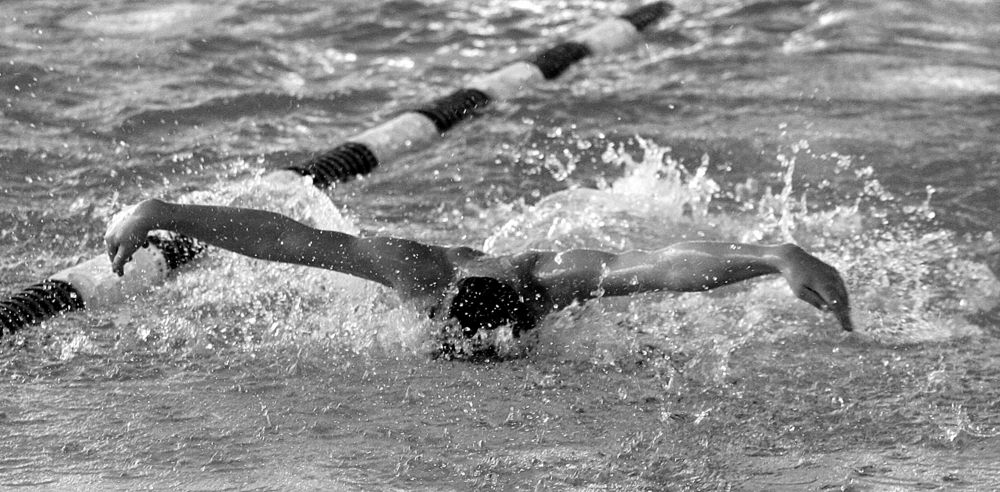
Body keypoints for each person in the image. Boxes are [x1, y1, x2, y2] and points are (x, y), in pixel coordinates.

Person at [105, 199, 853, 338]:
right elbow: (289, 238)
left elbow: (662, 265)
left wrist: (776, 256)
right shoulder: (414, 272)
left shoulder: (551, 278)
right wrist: (161, 212)